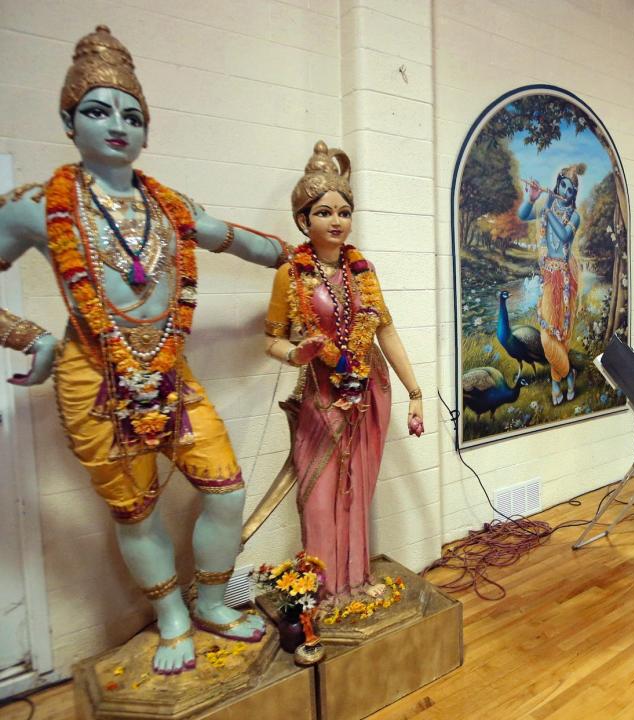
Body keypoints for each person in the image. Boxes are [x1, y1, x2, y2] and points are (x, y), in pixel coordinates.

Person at [0, 27, 286, 674]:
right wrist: (32, 337)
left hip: (168, 372)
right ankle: (173, 618)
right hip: (92, 378)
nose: (118, 126)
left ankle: (211, 601)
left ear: (147, 131)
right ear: (68, 121)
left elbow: (228, 238)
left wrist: (295, 255)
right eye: (99, 111)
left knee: (226, 490)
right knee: (136, 509)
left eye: (132, 115)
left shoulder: (168, 205)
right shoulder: (38, 208)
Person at [263, 141, 424, 597]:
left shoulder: (362, 272)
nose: (336, 221)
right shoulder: (290, 276)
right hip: (321, 391)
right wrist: (295, 355)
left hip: (369, 389)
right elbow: (271, 339)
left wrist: (415, 393)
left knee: (357, 490)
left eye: (344, 212)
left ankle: (356, 579)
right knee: (319, 493)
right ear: (303, 220)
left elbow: (386, 332)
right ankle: (323, 586)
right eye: (324, 212)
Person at [518, 163, 584, 405]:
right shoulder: (549, 206)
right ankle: (568, 373)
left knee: (562, 334)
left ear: (573, 194)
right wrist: (532, 198)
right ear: (558, 185)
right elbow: (523, 215)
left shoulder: (573, 215)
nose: (564, 191)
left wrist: (547, 212)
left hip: (566, 279)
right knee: (548, 334)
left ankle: (556, 380)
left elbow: (565, 236)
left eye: (570, 190)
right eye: (562, 186)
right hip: (549, 277)